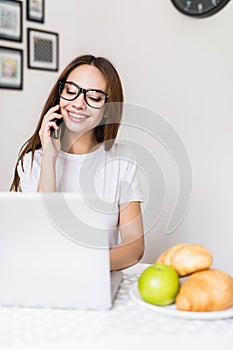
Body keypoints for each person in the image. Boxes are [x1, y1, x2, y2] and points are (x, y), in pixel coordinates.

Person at [10, 54, 144, 271]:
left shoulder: (122, 160)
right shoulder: (33, 161)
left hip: (97, 281)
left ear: (108, 109)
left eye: (95, 97)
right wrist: (50, 159)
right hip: (42, 278)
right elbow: (39, 236)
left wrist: (86, 267)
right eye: (71, 91)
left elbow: (134, 244)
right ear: (59, 96)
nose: (78, 104)